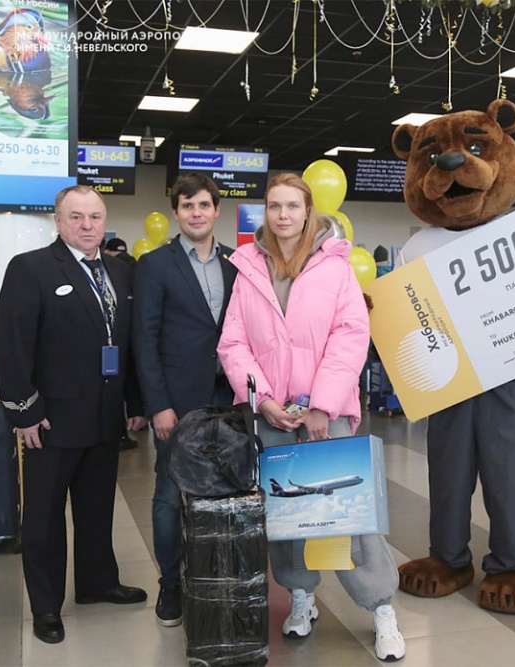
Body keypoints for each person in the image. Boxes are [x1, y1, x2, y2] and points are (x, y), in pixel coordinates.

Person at [216, 173, 406, 662]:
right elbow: (234, 343)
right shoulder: (249, 269)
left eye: (292, 206)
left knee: (350, 514)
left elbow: (350, 335)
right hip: (273, 416)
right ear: (265, 212)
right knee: (286, 516)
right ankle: (301, 595)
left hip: (327, 413)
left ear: (308, 212)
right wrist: (262, 400)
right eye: (274, 206)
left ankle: (380, 606)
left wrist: (322, 403)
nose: (283, 215)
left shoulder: (334, 267)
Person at [0, 185, 148, 645]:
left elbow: (129, 344)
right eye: (76, 217)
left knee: (97, 508)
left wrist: (134, 403)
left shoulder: (120, 272)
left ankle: (97, 583)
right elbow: (13, 345)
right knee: (43, 518)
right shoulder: (31, 268)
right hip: (50, 421)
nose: (87, 225)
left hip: (104, 416)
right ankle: (46, 605)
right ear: (58, 222)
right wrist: (24, 411)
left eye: (95, 217)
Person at [132, 172, 238, 627]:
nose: (196, 213)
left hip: (229, 400)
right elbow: (144, 340)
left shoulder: (236, 263)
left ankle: (216, 578)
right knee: (171, 495)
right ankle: (170, 585)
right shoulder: (155, 265)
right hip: (177, 402)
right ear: (176, 212)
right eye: (187, 205)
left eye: (204, 205)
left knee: (226, 492)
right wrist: (158, 404)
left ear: (217, 210)